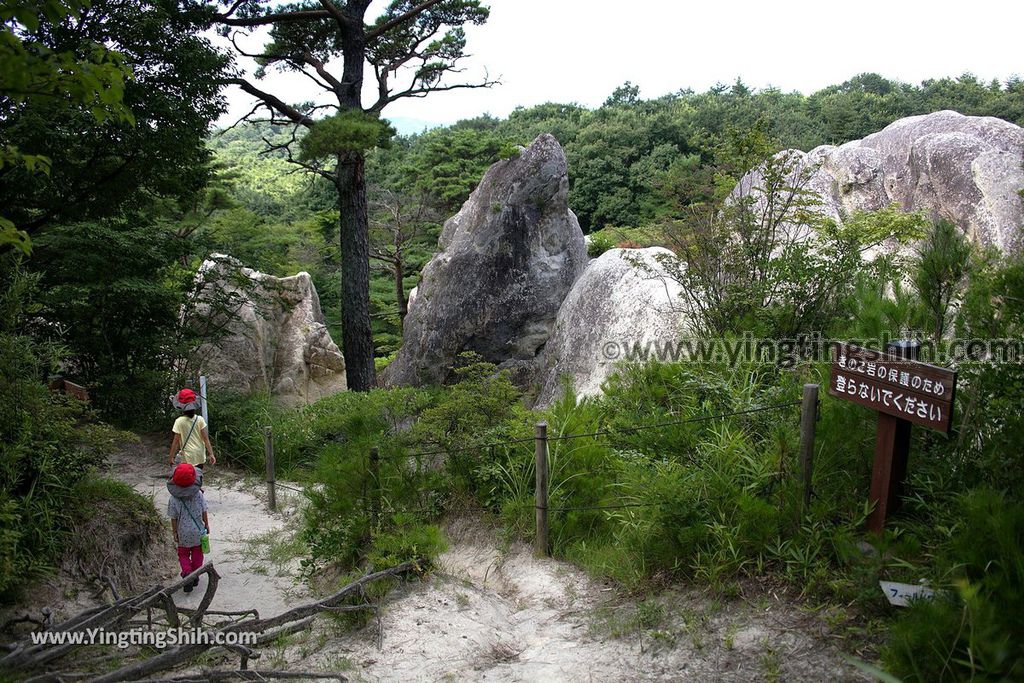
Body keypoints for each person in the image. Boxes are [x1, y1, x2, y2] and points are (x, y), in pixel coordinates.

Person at [167, 463, 209, 592]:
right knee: (198, 553)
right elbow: (204, 512)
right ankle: (195, 573)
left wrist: (175, 532)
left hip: (182, 531)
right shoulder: (199, 495)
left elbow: (173, 518)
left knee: (183, 554)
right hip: (197, 531)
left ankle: (187, 573)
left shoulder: (173, 499)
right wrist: (206, 524)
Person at [168, 388, 216, 468]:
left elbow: (176, 441)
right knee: (198, 475)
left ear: (180, 405)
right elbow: (205, 438)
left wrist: (171, 457)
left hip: (187, 456)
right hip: (199, 454)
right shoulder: (200, 419)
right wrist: (211, 454)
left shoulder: (179, 421)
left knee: (187, 477)